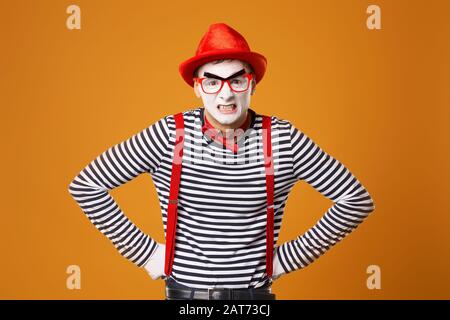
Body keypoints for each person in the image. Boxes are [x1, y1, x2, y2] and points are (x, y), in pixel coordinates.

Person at [68, 23, 375, 300]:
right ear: (197, 87)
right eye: (212, 81)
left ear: (253, 84)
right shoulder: (168, 135)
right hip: (186, 300)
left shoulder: (283, 139)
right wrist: (147, 255)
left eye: (237, 80)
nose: (226, 95)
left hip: (253, 302)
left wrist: (284, 259)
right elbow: (87, 185)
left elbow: (356, 200)